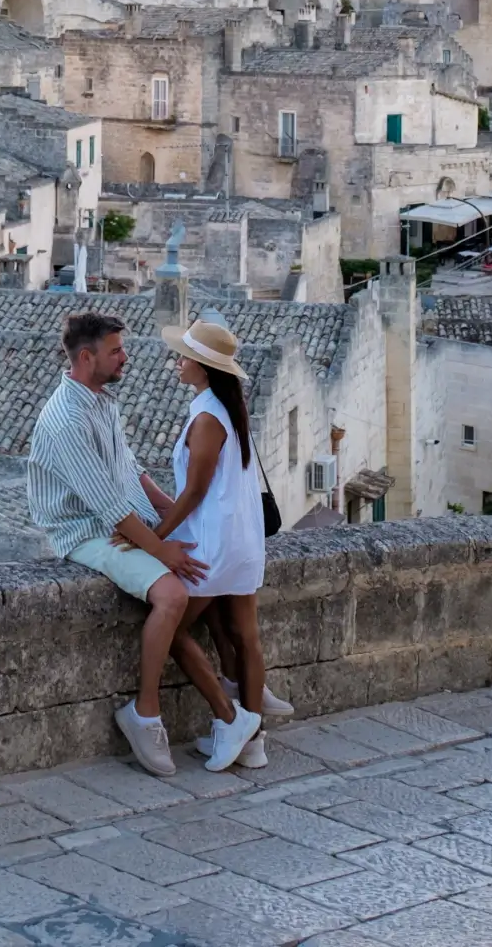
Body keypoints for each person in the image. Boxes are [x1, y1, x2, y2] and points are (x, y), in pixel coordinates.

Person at [28, 313, 263, 776]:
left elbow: (131, 471)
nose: (126, 357)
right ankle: (148, 712)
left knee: (205, 584)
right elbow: (107, 506)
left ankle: (239, 714)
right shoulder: (66, 420)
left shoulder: (102, 402)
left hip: (121, 522)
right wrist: (162, 548)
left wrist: (164, 515)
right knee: (174, 592)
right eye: (117, 350)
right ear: (85, 357)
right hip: (85, 530)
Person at [146, 319, 282, 767]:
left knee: (177, 631)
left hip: (212, 545)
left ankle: (232, 722)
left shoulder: (206, 418)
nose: (178, 363)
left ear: (204, 367)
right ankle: (254, 741)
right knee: (245, 638)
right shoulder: (228, 411)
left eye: (185, 357)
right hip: (242, 542)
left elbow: (195, 492)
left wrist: (154, 538)